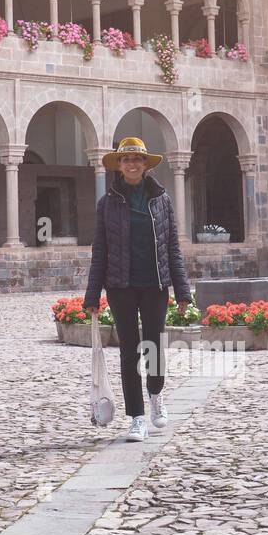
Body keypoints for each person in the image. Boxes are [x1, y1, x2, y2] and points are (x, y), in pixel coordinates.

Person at [82, 136, 193, 442]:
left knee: (154, 347)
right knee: (129, 352)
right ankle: (137, 417)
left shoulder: (162, 200)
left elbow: (172, 246)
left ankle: (156, 395)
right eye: (126, 159)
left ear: (145, 165)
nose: (132, 164)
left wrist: (183, 291)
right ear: (119, 165)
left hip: (155, 284)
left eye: (137, 159)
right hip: (121, 286)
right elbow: (100, 250)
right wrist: (92, 295)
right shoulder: (107, 204)